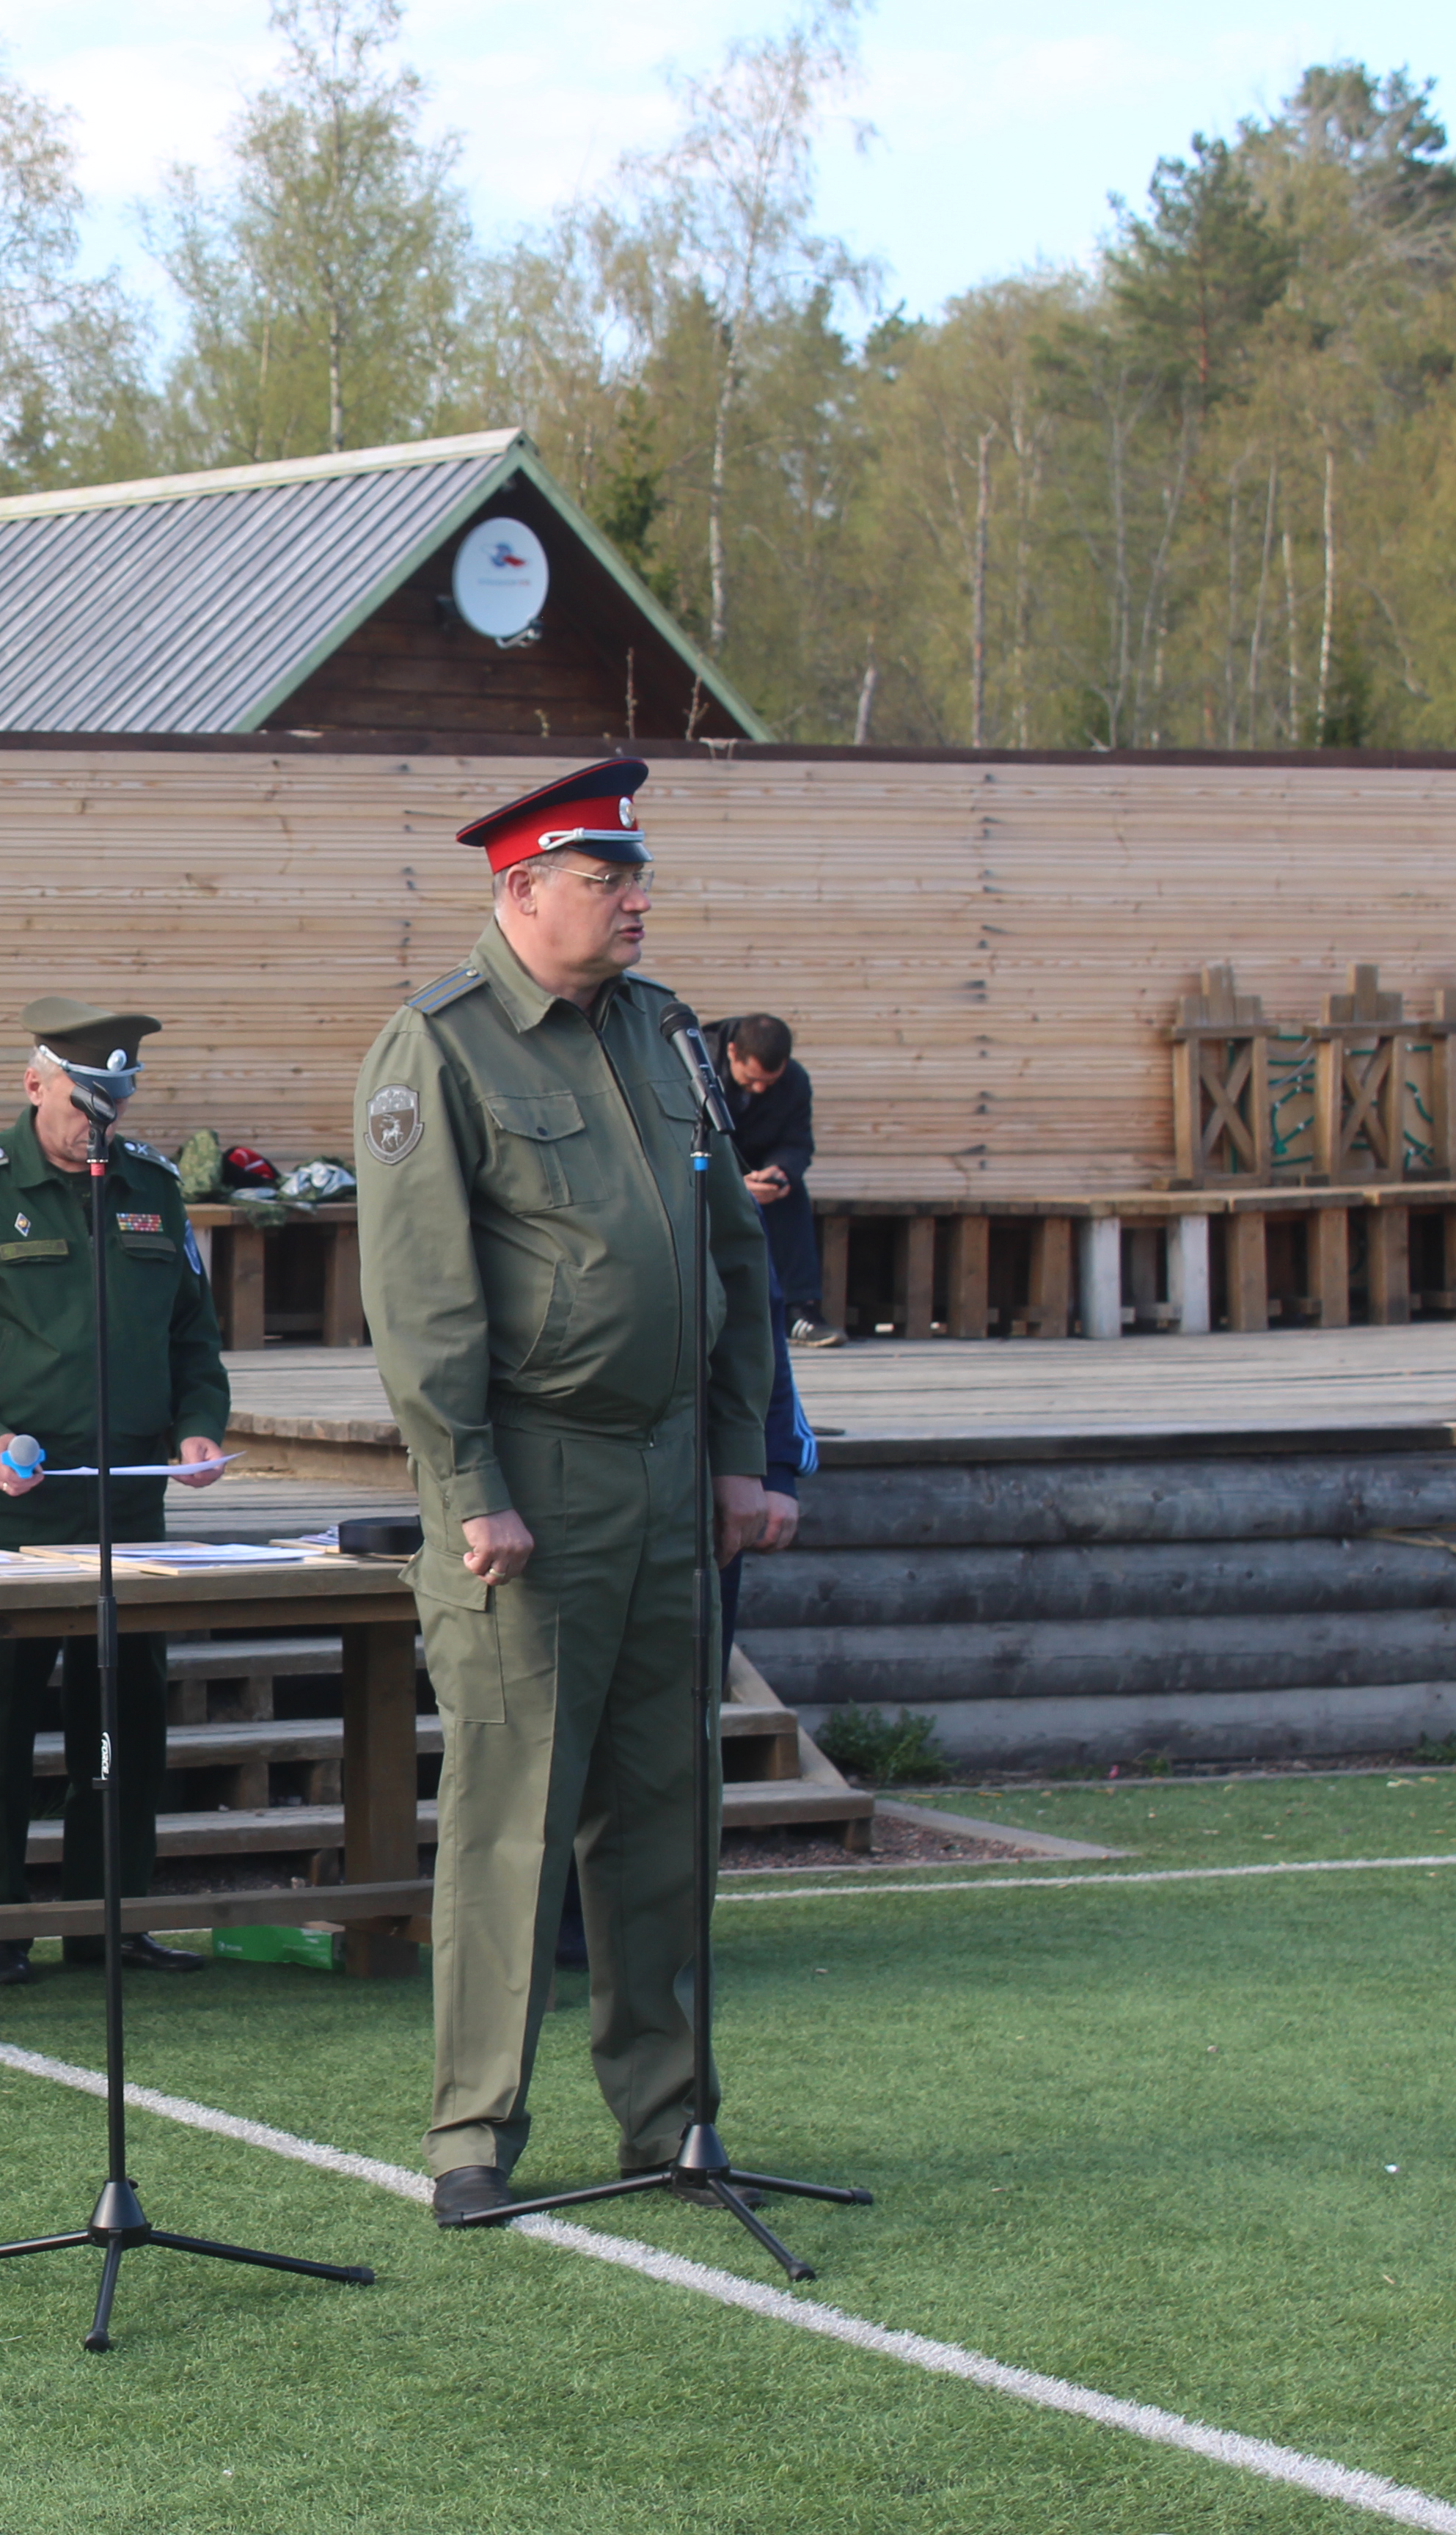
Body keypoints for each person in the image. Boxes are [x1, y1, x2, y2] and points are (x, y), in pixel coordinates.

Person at [350, 759, 775, 2228]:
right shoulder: (443, 1046)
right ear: (522, 892)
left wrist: (743, 1454)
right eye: (609, 878)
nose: (640, 897)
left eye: (637, 872)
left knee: (670, 1812)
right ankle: (475, 2133)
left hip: (669, 1480)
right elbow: (420, 1298)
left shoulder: (666, 1035)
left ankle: (672, 2121)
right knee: (513, 1819)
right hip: (534, 1482)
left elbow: (737, 1263)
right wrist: (468, 1484)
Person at [0, 998, 235, 1986]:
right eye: (85, 1102)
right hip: (12, 1509)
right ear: (35, 1083)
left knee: (122, 1722)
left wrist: (199, 1427)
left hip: (128, 1502)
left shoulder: (152, 1188)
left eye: (115, 1105)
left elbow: (191, 1341)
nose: (100, 1124)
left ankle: (107, 1918)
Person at [711, 1014, 838, 1346]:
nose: (760, 1088)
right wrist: (733, 1181)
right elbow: (677, 1141)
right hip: (703, 1169)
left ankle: (801, 1311)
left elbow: (797, 1143)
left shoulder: (795, 1080)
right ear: (732, 1052)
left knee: (790, 1194)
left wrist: (780, 1171)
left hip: (759, 1169)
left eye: (770, 1080)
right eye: (752, 1079)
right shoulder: (693, 1068)